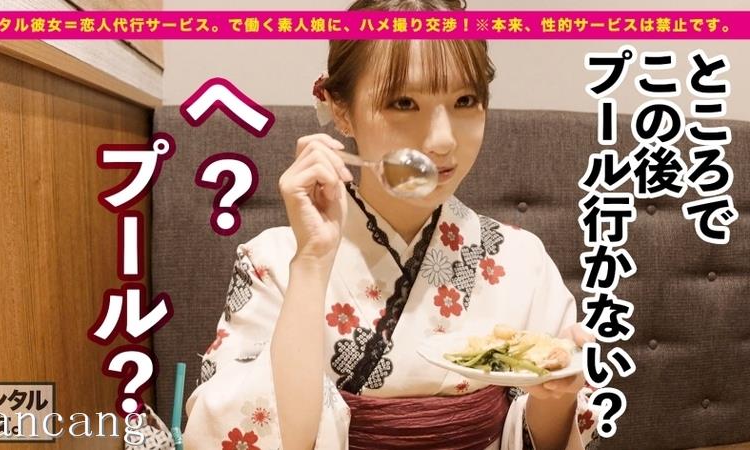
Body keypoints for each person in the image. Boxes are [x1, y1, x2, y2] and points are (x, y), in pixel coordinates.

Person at [184, 1, 601, 449]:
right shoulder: (275, 262)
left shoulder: (521, 260)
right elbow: (264, 436)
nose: (442, 140)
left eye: (465, 101)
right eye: (404, 103)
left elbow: (547, 439)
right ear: (341, 111)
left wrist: (558, 393)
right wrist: (312, 262)